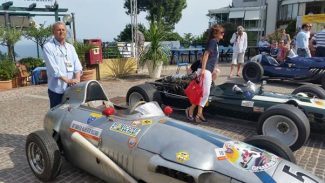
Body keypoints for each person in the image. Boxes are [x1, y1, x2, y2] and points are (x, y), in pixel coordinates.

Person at [185, 24, 224, 123]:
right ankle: (196, 113)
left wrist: (213, 69)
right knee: (205, 93)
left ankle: (194, 112)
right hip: (205, 70)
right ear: (216, 34)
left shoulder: (215, 43)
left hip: (208, 70)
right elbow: (206, 55)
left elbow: (210, 58)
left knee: (203, 93)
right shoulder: (213, 41)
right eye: (221, 32)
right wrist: (203, 69)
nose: (223, 34)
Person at [43, 22, 83, 108]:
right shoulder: (48, 47)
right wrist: (68, 81)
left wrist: (77, 79)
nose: (61, 32)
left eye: (63, 30)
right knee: (57, 115)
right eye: (58, 30)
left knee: (71, 113)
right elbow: (54, 69)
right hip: (57, 89)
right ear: (53, 32)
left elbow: (77, 65)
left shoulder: (70, 47)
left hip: (72, 88)